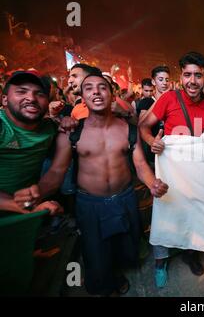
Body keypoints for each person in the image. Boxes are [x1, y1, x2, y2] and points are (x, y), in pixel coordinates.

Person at [15, 73, 168, 296]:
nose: (96, 92)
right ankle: (102, 285)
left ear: (113, 94)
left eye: (102, 87)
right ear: (82, 97)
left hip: (124, 199)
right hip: (89, 204)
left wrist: (153, 183)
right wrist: (37, 193)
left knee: (123, 245)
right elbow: (56, 172)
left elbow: (141, 166)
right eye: (89, 88)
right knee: (95, 251)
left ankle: (116, 275)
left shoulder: (128, 129)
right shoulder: (72, 132)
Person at [139, 51, 204, 288]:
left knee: (193, 215)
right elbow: (143, 127)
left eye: (198, 75)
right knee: (164, 214)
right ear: (181, 76)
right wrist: (153, 142)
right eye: (187, 75)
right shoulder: (169, 99)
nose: (192, 81)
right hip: (170, 173)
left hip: (197, 176)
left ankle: (191, 254)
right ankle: (160, 262)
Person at [0, 70, 62, 215]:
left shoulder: (53, 129)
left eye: (40, 94)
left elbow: (56, 172)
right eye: (22, 92)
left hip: (24, 217)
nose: (31, 98)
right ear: (4, 99)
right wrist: (21, 206)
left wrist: (35, 196)